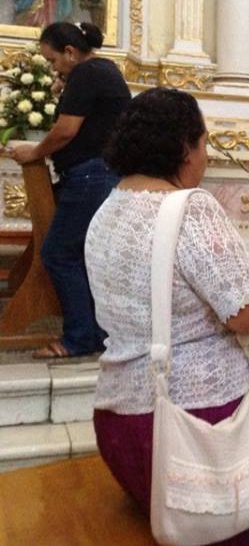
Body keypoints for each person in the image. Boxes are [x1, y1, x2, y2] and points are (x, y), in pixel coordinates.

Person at [85, 87, 249, 543]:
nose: (205, 156)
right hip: (200, 424)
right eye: (204, 143)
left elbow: (171, 289)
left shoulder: (109, 209)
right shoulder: (190, 208)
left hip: (124, 418)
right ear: (184, 147)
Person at [10, 22, 131, 358]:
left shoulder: (88, 73)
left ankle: (79, 338)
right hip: (99, 172)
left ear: (70, 51)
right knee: (82, 254)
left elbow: (65, 131)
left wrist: (34, 152)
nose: (53, 68)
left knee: (59, 253)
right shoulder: (101, 70)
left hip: (91, 175)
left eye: (53, 61)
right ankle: (94, 332)